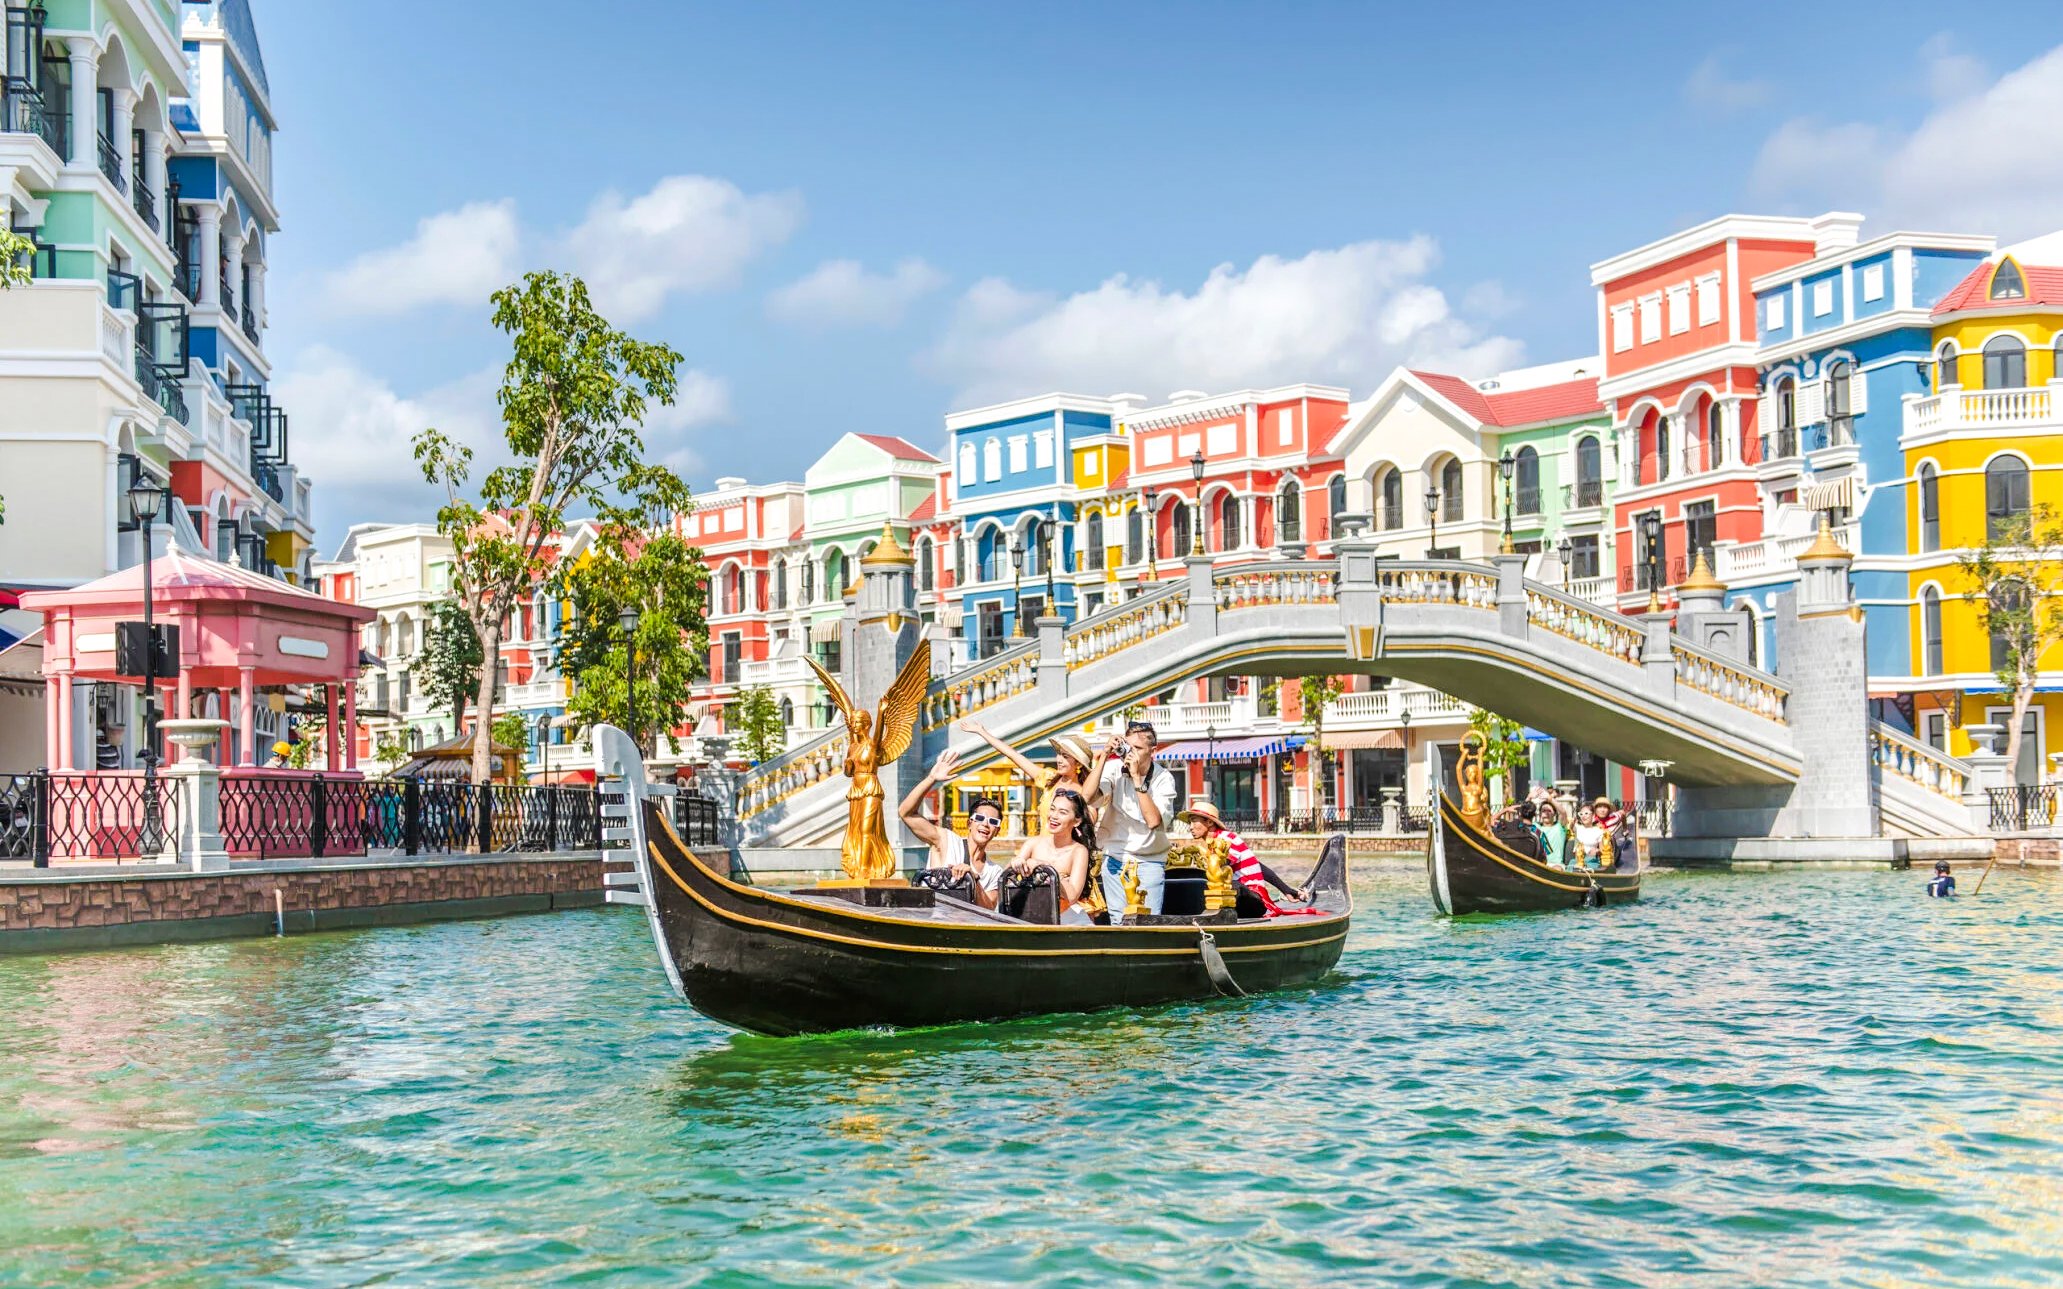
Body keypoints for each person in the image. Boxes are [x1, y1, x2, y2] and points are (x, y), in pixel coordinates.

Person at [897, 748, 1009, 908]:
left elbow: (989, 909)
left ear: (997, 830)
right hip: (933, 920)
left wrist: (973, 878)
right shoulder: (945, 840)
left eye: (992, 821)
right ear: (969, 823)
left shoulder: (994, 871)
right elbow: (906, 813)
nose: (985, 824)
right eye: (979, 818)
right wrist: (931, 779)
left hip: (965, 927)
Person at [1088, 719, 1177, 921]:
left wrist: (1137, 779)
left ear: (1152, 750)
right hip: (1115, 857)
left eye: (1137, 748)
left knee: (1148, 921)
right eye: (1128, 746)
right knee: (1118, 920)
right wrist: (1103, 756)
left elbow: (1153, 821)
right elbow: (1087, 797)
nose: (1131, 753)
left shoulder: (1164, 778)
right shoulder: (1113, 768)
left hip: (1149, 859)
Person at [958, 719, 1096, 831]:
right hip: (1043, 850)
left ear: (1078, 764)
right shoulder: (1049, 778)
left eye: (1065, 756)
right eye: (1059, 754)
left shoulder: (1082, 793)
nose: (1059, 760)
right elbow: (1012, 754)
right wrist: (983, 732)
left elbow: (1086, 829)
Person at [1178, 797, 1302, 910]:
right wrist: (1286, 890)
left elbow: (1218, 869)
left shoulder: (1226, 839)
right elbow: (1259, 867)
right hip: (1239, 896)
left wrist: (1286, 890)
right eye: (1190, 823)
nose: (1190, 827)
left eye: (1194, 821)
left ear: (1210, 822)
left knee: (1228, 884)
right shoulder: (1212, 844)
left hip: (1253, 899)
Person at [1009, 787, 1098, 924]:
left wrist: (1046, 867)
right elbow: (1006, 876)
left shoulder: (1079, 851)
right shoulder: (1033, 843)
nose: (1053, 816)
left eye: (1062, 812)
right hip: (1029, 912)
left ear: (1077, 821)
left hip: (1065, 916)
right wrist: (1017, 862)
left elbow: (1072, 896)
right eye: (1052, 809)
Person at [1535, 795, 1570, 868]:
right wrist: (1529, 798)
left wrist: (1550, 799)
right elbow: (1523, 817)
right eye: (1544, 811)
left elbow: (1563, 812)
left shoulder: (1559, 827)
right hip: (1539, 864)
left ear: (1554, 813)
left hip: (1556, 865)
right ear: (1540, 814)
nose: (1546, 813)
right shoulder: (1536, 827)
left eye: (1549, 811)